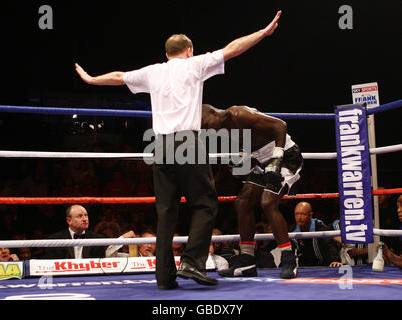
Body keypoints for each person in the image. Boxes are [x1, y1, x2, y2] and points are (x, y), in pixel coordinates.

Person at [75, 10, 283, 290]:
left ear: (167, 52)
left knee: (166, 212)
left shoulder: (152, 71)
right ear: (188, 50)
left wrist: (90, 79)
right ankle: (192, 262)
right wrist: (263, 32)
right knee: (206, 202)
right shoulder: (194, 64)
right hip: (187, 142)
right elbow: (232, 49)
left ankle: (164, 278)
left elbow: (118, 76)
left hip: (158, 145)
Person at [201, 103, 303, 279]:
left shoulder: (239, 114)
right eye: (204, 129)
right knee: (242, 203)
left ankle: (288, 258)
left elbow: (280, 126)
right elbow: (253, 143)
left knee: (268, 202)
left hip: (286, 157)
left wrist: (277, 158)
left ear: (213, 113)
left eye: (207, 125)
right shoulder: (221, 130)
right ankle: (247, 259)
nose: (208, 130)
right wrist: (242, 159)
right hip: (261, 161)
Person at [41, 205, 105, 259]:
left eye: (86, 215)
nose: (85, 219)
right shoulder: (55, 240)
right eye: (80, 216)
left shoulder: (97, 239)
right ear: (69, 221)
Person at [291, 202, 342, 267]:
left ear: (310, 215)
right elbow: (288, 250)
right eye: (297, 214)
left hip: (323, 265)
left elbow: (329, 243)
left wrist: (336, 260)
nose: (299, 217)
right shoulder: (292, 230)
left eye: (303, 214)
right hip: (304, 266)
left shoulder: (319, 226)